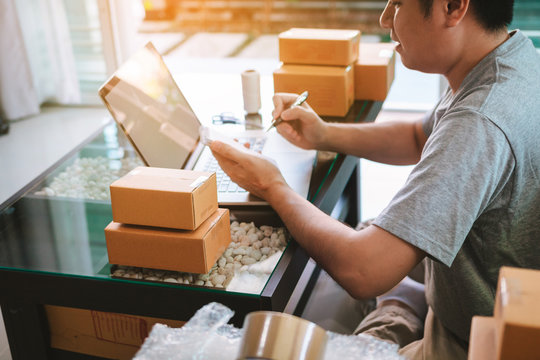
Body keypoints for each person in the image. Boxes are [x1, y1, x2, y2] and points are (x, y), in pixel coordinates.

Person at [209, 0, 540, 357]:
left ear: (453, 7)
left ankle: (398, 312)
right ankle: (405, 305)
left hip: (474, 341)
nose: (384, 19)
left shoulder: (478, 122)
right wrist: (323, 134)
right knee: (370, 231)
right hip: (473, 292)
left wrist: (271, 186)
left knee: (363, 267)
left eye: (397, 3)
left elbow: (363, 271)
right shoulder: (510, 57)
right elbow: (419, 136)